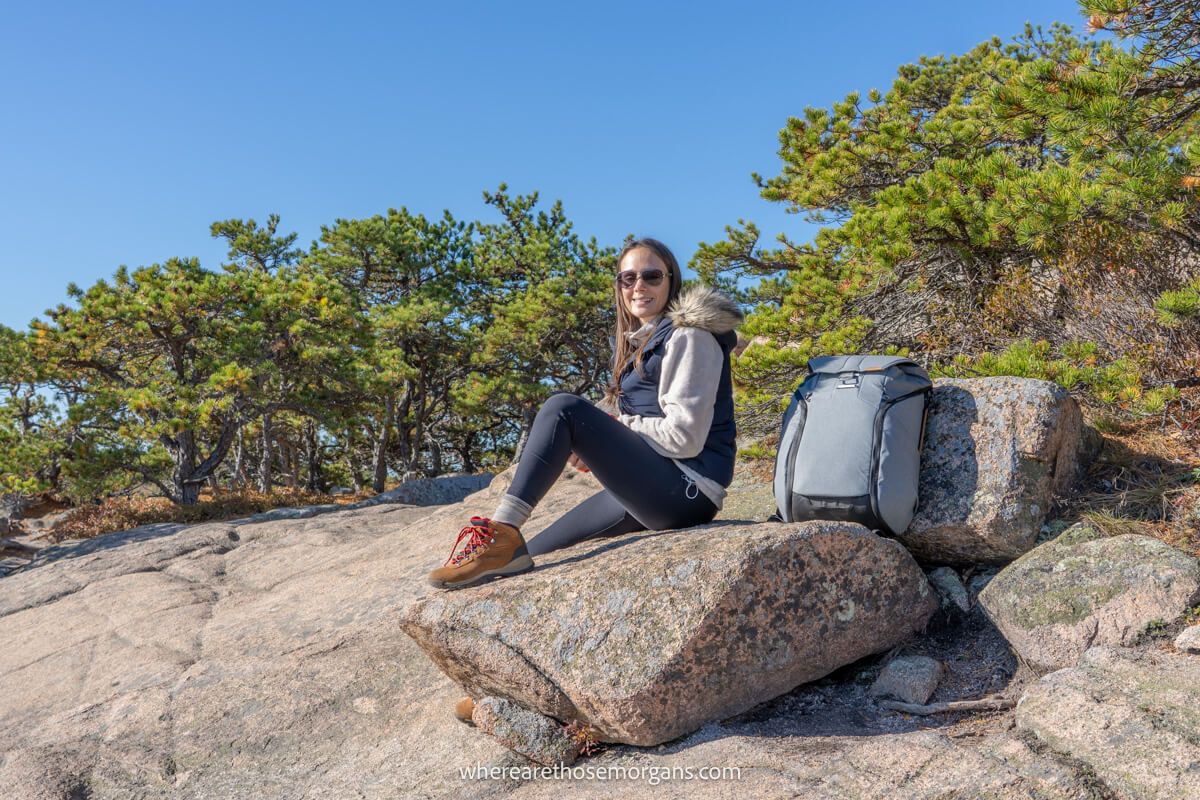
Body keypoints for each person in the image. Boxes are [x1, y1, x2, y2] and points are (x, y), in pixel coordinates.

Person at [427, 237, 744, 591]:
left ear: (671, 280)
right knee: (534, 552)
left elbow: (685, 438)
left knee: (563, 408)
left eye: (652, 276)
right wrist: (599, 441)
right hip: (653, 488)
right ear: (619, 286)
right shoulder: (643, 341)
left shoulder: (689, 337)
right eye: (628, 278)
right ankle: (504, 547)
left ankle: (501, 529)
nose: (639, 286)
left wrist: (613, 429)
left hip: (686, 491)